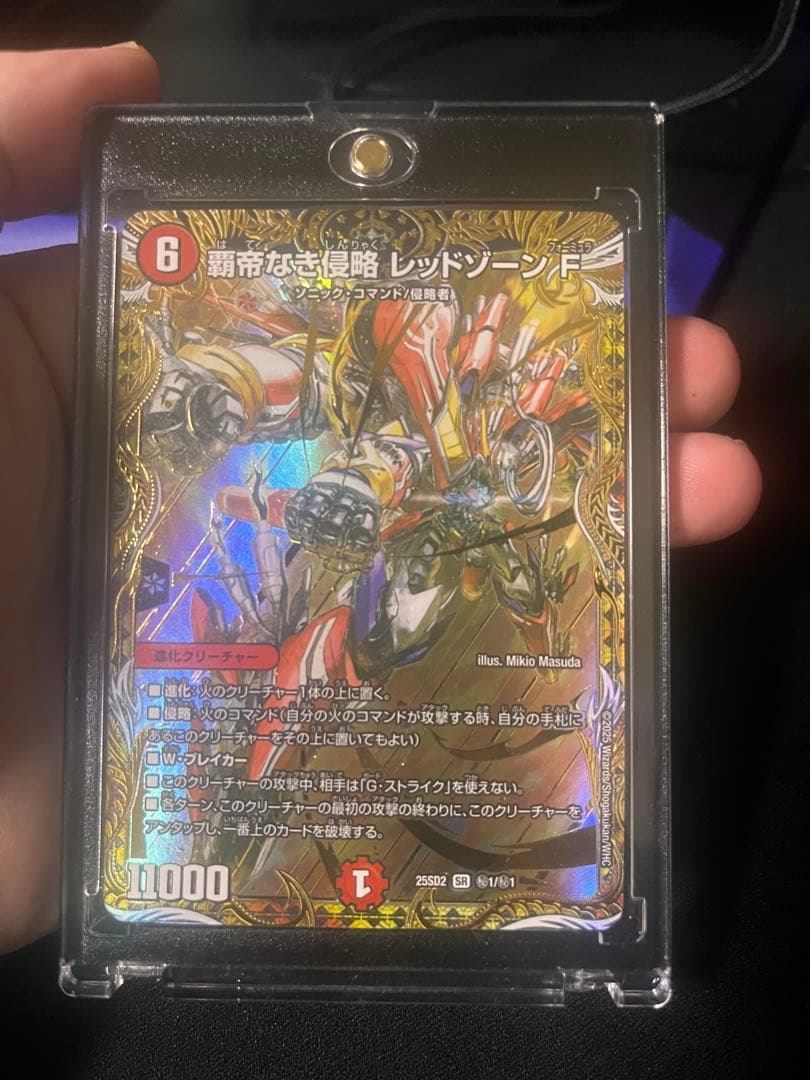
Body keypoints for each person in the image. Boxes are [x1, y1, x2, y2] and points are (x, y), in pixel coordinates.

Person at [0, 44, 762, 955]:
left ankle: (274, 756)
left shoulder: (518, 408)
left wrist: (503, 488)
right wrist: (237, 385)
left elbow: (531, 455)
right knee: (347, 444)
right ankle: (243, 399)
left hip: (445, 509)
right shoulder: (415, 342)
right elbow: (335, 380)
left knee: (385, 618)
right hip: (398, 449)